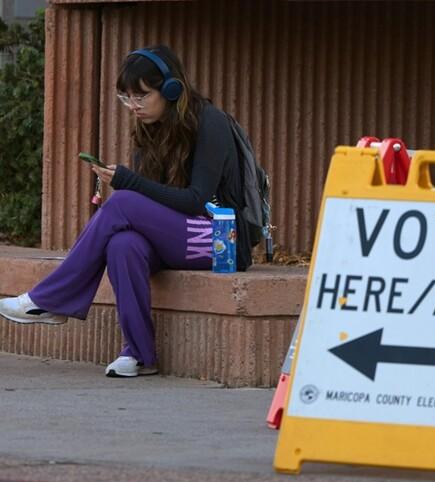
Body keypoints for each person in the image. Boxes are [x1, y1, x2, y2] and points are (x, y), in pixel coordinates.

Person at [0, 45, 252, 377]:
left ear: (171, 89)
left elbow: (194, 200)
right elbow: (151, 201)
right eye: (126, 98)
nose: (133, 106)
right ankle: (139, 353)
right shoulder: (151, 127)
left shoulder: (211, 123)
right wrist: (128, 182)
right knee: (124, 245)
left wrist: (128, 183)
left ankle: (50, 299)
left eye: (142, 96)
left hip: (222, 240)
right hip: (179, 236)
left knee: (120, 202)